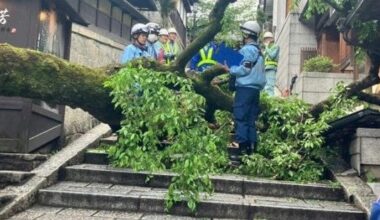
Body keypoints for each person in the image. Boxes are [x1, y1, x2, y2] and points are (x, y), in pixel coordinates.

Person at [224, 20, 266, 157]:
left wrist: (230, 69)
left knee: (240, 118)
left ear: (246, 34)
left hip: (244, 89)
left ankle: (240, 151)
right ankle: (251, 150)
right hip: (255, 91)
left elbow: (245, 68)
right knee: (250, 120)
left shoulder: (247, 50)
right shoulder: (259, 52)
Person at [262, 31, 279, 96]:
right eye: (265, 39)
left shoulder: (276, 46)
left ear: (272, 39)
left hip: (271, 68)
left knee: (270, 87)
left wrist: (266, 47)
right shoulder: (266, 49)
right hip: (265, 69)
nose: (267, 40)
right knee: (264, 87)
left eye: (268, 38)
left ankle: (270, 100)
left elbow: (272, 55)